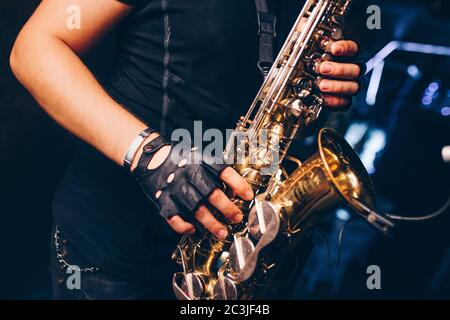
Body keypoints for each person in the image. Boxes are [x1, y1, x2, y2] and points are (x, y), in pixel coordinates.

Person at [10, 0, 363, 299]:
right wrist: (149, 154)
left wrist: (319, 89)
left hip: (226, 267)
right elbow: (36, 48)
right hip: (115, 255)